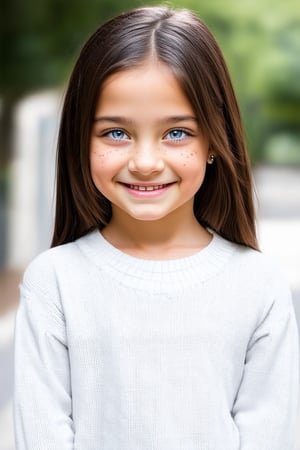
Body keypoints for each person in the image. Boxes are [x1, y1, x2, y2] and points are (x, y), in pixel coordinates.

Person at [14, 6, 299, 450]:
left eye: (177, 133)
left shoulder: (259, 288)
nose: (145, 163)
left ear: (213, 140)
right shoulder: (54, 284)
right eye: (115, 134)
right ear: (79, 141)